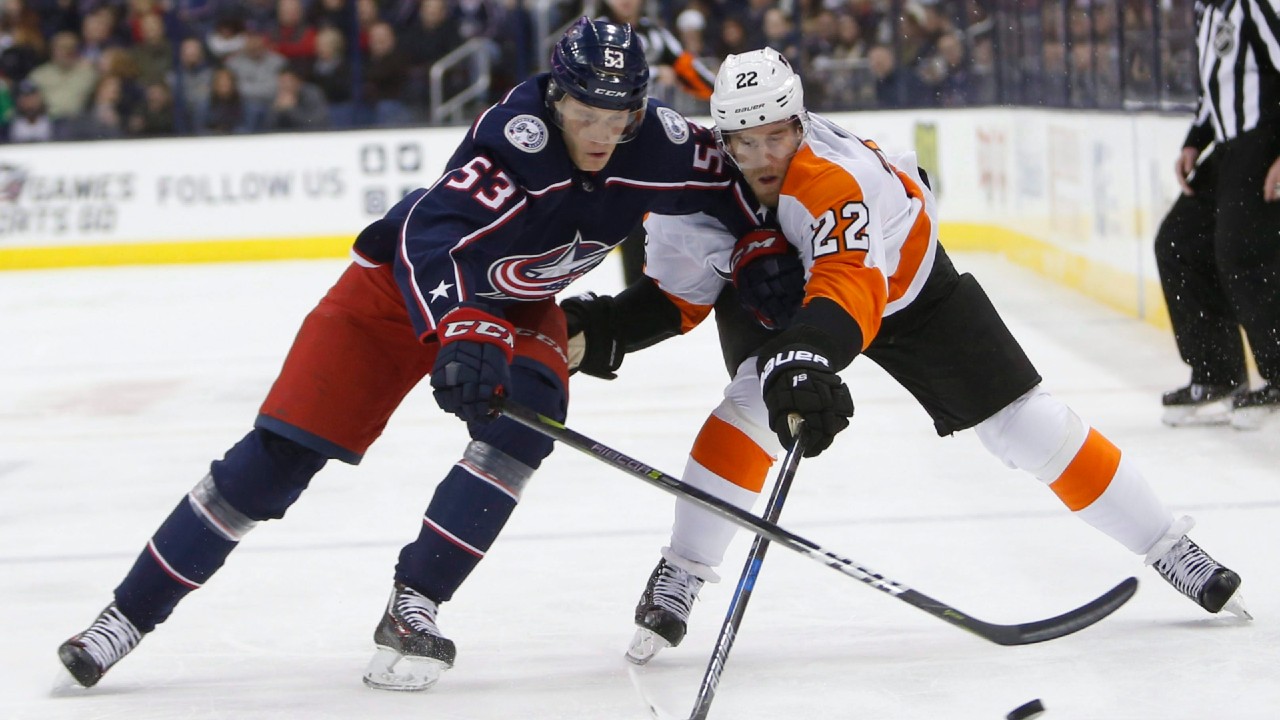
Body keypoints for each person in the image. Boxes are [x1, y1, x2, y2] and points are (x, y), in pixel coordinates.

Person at [55, 18, 763, 693]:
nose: (603, 135)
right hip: (398, 292)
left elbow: (735, 182)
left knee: (526, 423)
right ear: (555, 95)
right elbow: (431, 234)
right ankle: (123, 618)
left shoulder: (661, 143)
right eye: (586, 115)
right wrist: (461, 327)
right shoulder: (514, 141)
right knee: (277, 459)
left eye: (620, 118)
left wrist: (763, 246)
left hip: (517, 305)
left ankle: (413, 605)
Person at [562, 48, 1250, 665]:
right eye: (747, 142)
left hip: (903, 285)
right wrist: (590, 333)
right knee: (745, 408)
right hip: (793, 290)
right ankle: (682, 571)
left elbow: (851, 290)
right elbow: (675, 299)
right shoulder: (695, 195)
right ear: (723, 141)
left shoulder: (834, 177)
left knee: (1022, 423)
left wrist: (800, 362)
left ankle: (1168, 545)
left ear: (800, 122)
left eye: (778, 134)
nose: (766, 155)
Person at [1154, 0, 1280, 430]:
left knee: (1242, 253)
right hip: (1228, 146)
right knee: (1179, 242)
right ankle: (1216, 373)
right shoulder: (1207, 10)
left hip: (1263, 140)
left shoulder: (1257, 3)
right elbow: (1215, 91)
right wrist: (1194, 140)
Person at [598, 0, 718, 285]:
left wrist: (725, 92)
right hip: (611, 140)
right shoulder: (598, 32)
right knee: (630, 215)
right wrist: (654, 72)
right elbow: (602, 76)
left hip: (650, 136)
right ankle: (635, 294)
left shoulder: (654, 32)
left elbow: (689, 69)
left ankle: (656, 288)